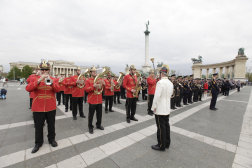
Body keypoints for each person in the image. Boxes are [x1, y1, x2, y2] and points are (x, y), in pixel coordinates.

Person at [26, 60, 60, 153]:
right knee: (38, 126)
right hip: (38, 107)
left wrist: (52, 82)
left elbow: (57, 90)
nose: (45, 71)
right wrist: (39, 80)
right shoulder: (34, 78)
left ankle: (51, 139)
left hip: (50, 106)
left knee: (51, 125)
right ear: (40, 70)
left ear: (49, 70)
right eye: (43, 69)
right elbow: (28, 88)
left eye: (46, 70)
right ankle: (38, 143)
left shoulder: (53, 79)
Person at [151, 64, 173, 151]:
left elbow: (157, 97)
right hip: (167, 107)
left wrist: (153, 107)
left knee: (160, 127)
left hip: (160, 108)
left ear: (162, 73)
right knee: (166, 125)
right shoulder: (170, 83)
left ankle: (161, 145)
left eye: (159, 73)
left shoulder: (160, 83)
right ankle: (167, 143)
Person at [84, 66, 106, 134]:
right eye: (93, 72)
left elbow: (103, 90)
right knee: (91, 115)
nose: (95, 73)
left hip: (99, 100)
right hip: (92, 100)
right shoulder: (88, 80)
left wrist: (104, 84)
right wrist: (93, 86)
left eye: (95, 71)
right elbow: (86, 90)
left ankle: (98, 124)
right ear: (90, 73)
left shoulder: (99, 79)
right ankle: (90, 127)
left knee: (99, 114)